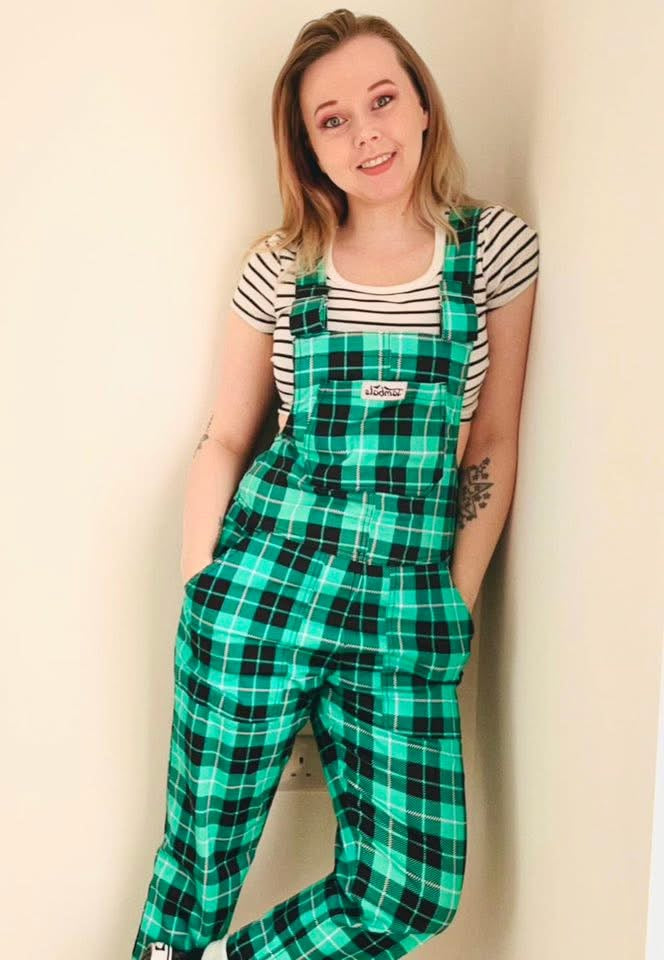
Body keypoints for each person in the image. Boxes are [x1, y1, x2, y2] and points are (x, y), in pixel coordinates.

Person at [131, 8, 539, 960]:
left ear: (424, 108)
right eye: (332, 119)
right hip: (264, 587)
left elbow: (494, 442)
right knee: (194, 870)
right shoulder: (279, 271)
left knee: (409, 891)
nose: (366, 133)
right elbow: (227, 436)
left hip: (406, 602)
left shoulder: (496, 255)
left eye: (382, 100)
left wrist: (453, 601)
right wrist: (203, 588)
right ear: (308, 148)